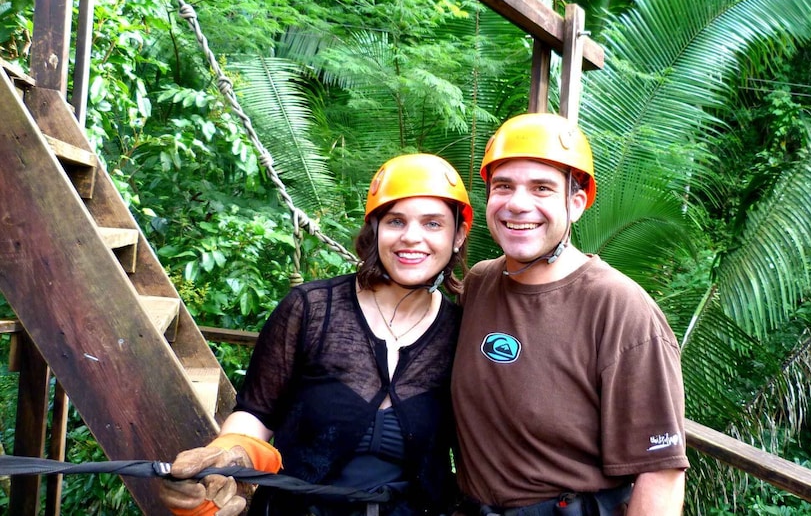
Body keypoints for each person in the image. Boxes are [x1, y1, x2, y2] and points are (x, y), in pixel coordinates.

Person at [159, 153, 473, 516]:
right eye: (395, 221)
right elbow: (256, 414)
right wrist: (230, 457)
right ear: (375, 230)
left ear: (457, 235)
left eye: (433, 224)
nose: (411, 237)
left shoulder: (460, 331)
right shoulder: (311, 310)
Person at [451, 113, 689, 516]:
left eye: (541, 188)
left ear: (575, 203)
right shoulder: (480, 284)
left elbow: (661, 473)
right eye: (503, 186)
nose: (518, 204)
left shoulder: (619, 308)